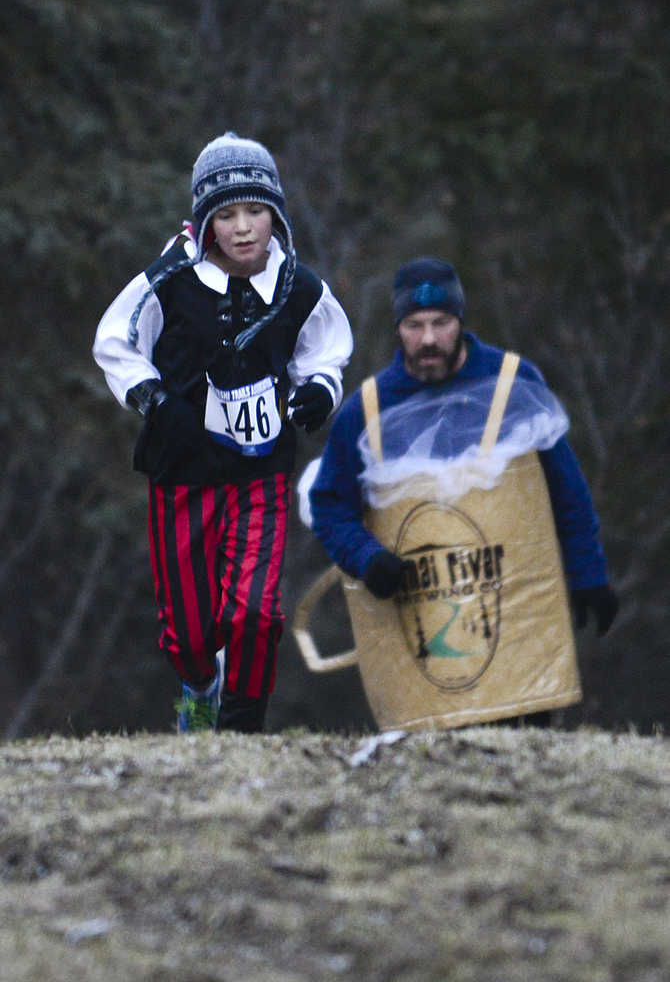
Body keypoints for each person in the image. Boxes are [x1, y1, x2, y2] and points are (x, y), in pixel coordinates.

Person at [94, 132, 353, 733]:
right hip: (181, 472)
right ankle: (201, 683)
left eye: (256, 211)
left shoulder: (300, 288)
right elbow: (114, 341)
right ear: (206, 220)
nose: (242, 228)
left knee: (256, 616)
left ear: (276, 217)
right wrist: (153, 398)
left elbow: (327, 352)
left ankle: (239, 731)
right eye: (228, 214)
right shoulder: (169, 281)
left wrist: (318, 389)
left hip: (259, 471)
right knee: (187, 632)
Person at [308, 256, 618, 637]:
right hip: (420, 616)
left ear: (460, 321)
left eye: (441, 323)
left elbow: (565, 489)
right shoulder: (367, 409)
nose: (428, 339)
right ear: (398, 328)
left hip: (516, 608)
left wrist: (588, 573)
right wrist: (367, 558)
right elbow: (328, 504)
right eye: (414, 325)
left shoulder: (510, 382)